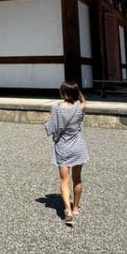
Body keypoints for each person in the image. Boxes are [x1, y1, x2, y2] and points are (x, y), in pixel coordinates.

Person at [44, 81, 89, 223]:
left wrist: (50, 118)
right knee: (77, 178)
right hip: (78, 146)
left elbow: (50, 128)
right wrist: (77, 93)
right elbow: (82, 100)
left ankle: (67, 211)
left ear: (63, 92)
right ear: (76, 92)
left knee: (65, 180)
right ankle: (75, 207)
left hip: (63, 147)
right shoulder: (81, 107)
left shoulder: (56, 108)